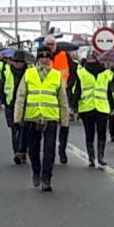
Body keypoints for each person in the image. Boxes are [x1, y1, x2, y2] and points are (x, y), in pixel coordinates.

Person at [14, 47, 70, 192]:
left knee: (49, 150)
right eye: (42, 57)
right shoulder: (29, 73)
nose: (45, 59)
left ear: (50, 59)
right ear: (38, 59)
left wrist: (65, 120)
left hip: (50, 117)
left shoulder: (56, 75)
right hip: (32, 117)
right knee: (33, 150)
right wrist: (17, 117)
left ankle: (47, 178)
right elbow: (20, 97)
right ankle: (36, 172)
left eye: (48, 57)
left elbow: (62, 100)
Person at [44, 35, 78, 164]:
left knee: (64, 124)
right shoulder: (42, 56)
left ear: (56, 45)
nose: (50, 47)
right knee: (50, 125)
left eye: (52, 44)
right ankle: (50, 151)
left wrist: (68, 86)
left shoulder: (64, 55)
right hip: (48, 95)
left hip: (63, 94)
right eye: (47, 44)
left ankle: (62, 150)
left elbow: (73, 73)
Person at [75, 55, 114, 168]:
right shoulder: (81, 72)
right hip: (86, 107)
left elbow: (109, 91)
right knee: (89, 132)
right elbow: (77, 89)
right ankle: (91, 157)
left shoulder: (106, 73)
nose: (91, 60)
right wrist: (74, 104)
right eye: (89, 58)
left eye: (93, 58)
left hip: (102, 107)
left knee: (102, 132)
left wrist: (112, 106)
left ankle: (100, 157)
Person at [3, 50, 28, 165]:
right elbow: (2, 86)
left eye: (20, 62)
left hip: (25, 105)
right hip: (11, 104)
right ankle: (17, 152)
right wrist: (4, 100)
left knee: (24, 129)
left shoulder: (29, 73)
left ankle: (22, 151)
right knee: (14, 129)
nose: (17, 64)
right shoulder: (7, 71)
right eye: (15, 61)